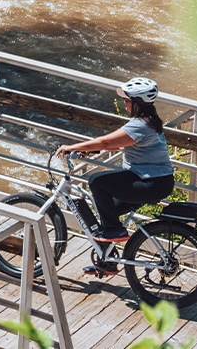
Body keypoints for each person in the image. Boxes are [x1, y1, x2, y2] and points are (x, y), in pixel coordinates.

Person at [56, 77, 176, 275]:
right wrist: (91, 149)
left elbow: (105, 142)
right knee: (106, 210)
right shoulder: (148, 121)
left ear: (137, 103)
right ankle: (108, 262)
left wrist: (72, 147)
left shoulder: (140, 125)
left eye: (127, 100)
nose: (125, 103)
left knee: (97, 181)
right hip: (153, 180)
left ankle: (114, 231)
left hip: (150, 183)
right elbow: (122, 142)